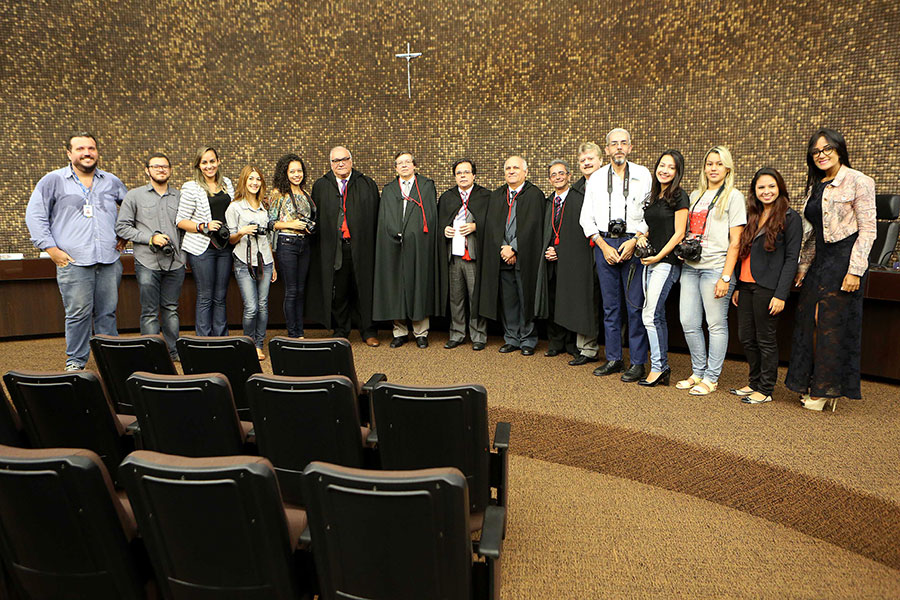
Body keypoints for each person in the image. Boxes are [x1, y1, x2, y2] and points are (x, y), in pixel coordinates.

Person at [785, 129, 876, 412]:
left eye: (827, 149)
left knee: (831, 326)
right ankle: (813, 381)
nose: (821, 155)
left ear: (839, 150)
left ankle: (827, 389)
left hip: (844, 259)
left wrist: (855, 271)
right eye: (816, 151)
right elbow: (814, 234)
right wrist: (802, 266)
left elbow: (869, 230)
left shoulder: (860, 181)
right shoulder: (816, 185)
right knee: (809, 322)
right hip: (820, 260)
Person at [25, 132, 128, 371]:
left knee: (107, 314)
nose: (87, 153)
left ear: (97, 152)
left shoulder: (111, 181)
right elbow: (35, 216)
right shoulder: (53, 180)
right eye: (80, 149)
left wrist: (125, 234)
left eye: (91, 148)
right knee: (78, 314)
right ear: (69, 153)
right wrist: (51, 249)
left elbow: (132, 207)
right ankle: (76, 361)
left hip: (108, 260)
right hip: (73, 261)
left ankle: (111, 361)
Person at [579, 128, 651, 381]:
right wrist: (603, 245)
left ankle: (638, 362)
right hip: (605, 244)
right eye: (613, 144)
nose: (618, 148)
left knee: (634, 307)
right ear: (606, 149)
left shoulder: (643, 175)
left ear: (630, 147)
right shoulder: (596, 178)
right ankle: (614, 359)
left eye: (623, 143)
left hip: (633, 244)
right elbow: (586, 217)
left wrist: (633, 241)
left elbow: (649, 215)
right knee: (610, 308)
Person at [676, 146, 746, 395]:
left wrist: (726, 277)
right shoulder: (695, 195)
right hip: (691, 267)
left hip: (716, 268)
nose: (713, 168)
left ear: (727, 168)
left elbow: (735, 241)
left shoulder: (734, 196)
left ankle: (711, 377)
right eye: (709, 163)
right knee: (688, 321)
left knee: (715, 324)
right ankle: (697, 372)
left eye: (718, 163)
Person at [731, 167, 801, 405]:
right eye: (761, 187)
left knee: (765, 339)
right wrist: (739, 285)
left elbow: (792, 259)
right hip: (747, 285)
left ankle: (766, 389)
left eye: (771, 186)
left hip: (768, 287)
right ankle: (753, 382)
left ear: (779, 187)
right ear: (754, 191)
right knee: (746, 337)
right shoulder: (752, 214)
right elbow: (744, 253)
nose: (766, 191)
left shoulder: (791, 218)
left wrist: (782, 294)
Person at [307, 146, 381, 346]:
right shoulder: (322, 186)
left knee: (363, 288)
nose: (340, 163)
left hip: (362, 247)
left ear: (351, 160)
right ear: (330, 164)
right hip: (335, 248)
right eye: (335, 160)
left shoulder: (366, 184)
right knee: (338, 290)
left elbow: (376, 218)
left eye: (344, 159)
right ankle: (341, 329)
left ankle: (368, 330)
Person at [115, 152, 184, 361]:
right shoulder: (134, 196)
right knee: (150, 311)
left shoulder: (179, 196)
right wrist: (150, 238)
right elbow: (122, 227)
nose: (161, 169)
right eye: (156, 166)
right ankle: (153, 354)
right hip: (147, 261)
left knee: (171, 309)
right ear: (147, 170)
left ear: (170, 170)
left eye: (164, 166)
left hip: (176, 262)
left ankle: (174, 352)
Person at [479, 156, 545, 356]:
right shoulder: (497, 195)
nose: (511, 171)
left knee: (526, 299)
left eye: (516, 167)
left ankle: (528, 339)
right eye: (508, 168)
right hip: (502, 256)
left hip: (525, 258)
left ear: (525, 171)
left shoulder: (534, 195)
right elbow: (491, 225)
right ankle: (511, 338)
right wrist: (503, 248)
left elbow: (534, 226)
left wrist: (514, 248)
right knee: (508, 300)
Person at [633, 150, 689, 386]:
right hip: (650, 261)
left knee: (649, 314)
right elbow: (653, 226)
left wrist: (658, 256)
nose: (664, 170)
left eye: (671, 167)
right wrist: (641, 236)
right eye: (662, 165)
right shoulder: (655, 196)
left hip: (666, 262)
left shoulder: (679, 195)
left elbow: (679, 233)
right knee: (655, 315)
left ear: (677, 172)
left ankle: (657, 367)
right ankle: (662, 366)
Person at [537, 159, 599, 365]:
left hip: (571, 259)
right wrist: (548, 250)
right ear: (549, 179)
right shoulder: (548, 203)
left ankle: (573, 344)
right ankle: (556, 343)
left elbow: (579, 232)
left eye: (561, 173)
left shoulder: (579, 199)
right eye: (553, 175)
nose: (557, 177)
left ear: (569, 176)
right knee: (554, 300)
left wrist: (561, 251)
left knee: (571, 299)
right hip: (550, 258)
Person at [373, 152, 438, 348]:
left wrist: (415, 234)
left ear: (414, 165)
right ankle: (399, 331)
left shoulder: (426, 186)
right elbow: (383, 218)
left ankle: (421, 332)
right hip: (393, 246)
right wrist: (392, 233)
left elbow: (431, 216)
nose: (404, 166)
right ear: (395, 168)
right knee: (396, 287)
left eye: (407, 162)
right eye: (400, 163)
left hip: (418, 245)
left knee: (418, 284)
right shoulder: (389, 189)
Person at [176, 146, 234, 336]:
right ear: (199, 166)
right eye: (204, 162)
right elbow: (181, 221)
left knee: (220, 296)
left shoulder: (227, 183)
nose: (209, 166)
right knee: (206, 296)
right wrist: (203, 226)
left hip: (224, 247)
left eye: (212, 161)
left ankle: (221, 338)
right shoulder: (191, 187)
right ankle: (204, 341)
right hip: (202, 248)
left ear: (218, 161)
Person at [436, 159, 490, 351]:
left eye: (467, 172)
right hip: (454, 255)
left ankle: (478, 335)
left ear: (474, 175)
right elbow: (438, 222)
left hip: (474, 255)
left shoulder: (485, 196)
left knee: (476, 297)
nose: (463, 176)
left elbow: (493, 223)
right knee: (455, 297)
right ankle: (457, 333)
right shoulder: (447, 197)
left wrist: (476, 226)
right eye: (459, 173)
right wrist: (444, 230)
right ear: (455, 176)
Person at [226, 166, 276, 360]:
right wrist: (242, 232)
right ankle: (248, 344)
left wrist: (274, 266)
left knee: (263, 306)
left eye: (258, 179)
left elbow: (268, 239)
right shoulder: (235, 207)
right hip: (243, 261)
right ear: (244, 182)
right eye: (251, 179)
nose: (255, 183)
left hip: (265, 261)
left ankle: (258, 344)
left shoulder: (265, 207)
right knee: (251, 307)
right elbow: (230, 239)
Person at [268, 154, 315, 339]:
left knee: (301, 290)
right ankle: (293, 333)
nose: (297, 175)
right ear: (285, 173)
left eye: (299, 171)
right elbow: (270, 223)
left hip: (304, 243)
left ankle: (300, 331)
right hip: (287, 243)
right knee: (292, 290)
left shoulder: (306, 194)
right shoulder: (278, 193)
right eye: (292, 171)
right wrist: (291, 225)